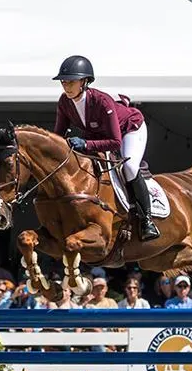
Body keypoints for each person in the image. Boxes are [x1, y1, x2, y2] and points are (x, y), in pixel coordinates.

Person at [52, 55, 160, 241]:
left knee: (129, 167)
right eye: (63, 82)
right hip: (100, 135)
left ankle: (147, 220)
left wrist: (85, 144)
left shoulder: (102, 102)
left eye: (71, 82)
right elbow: (57, 135)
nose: (66, 86)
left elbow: (115, 142)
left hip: (130, 129)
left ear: (84, 82)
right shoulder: (64, 102)